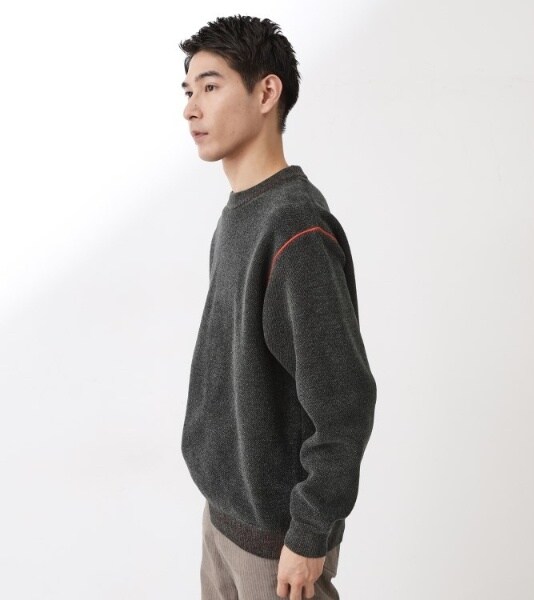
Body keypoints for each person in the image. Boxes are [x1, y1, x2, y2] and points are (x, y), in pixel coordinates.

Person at [178, 15, 377, 600]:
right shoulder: (241, 213)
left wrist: (310, 535)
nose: (191, 108)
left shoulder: (294, 229)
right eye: (187, 90)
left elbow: (344, 403)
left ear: (267, 92)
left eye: (210, 86)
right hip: (223, 519)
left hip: (277, 544)